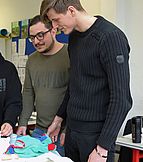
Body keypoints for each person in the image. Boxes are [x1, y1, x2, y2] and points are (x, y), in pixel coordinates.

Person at [40, 0, 132, 162]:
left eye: (56, 20)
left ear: (71, 10)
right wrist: (59, 119)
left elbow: (121, 99)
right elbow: (75, 84)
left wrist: (102, 148)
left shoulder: (110, 37)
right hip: (72, 133)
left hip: (96, 137)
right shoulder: (74, 38)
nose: (54, 27)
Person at [16, 15, 69, 156]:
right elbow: (28, 93)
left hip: (63, 131)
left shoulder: (70, 55)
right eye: (32, 37)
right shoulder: (32, 60)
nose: (36, 41)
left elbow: (77, 95)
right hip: (39, 131)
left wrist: (67, 129)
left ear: (53, 30)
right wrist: (23, 123)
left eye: (40, 35)